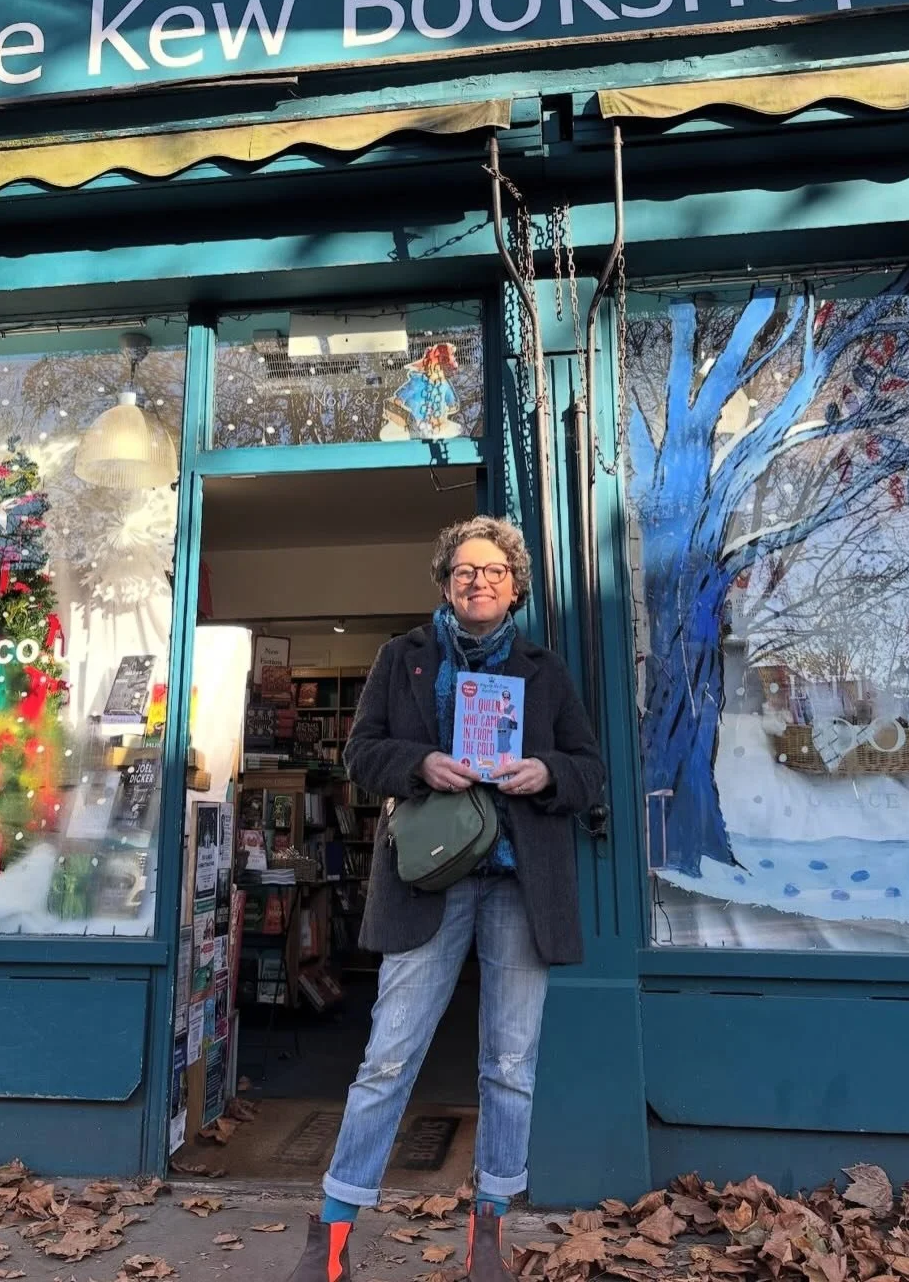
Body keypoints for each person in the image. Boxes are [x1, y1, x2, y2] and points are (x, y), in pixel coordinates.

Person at [286, 516, 605, 1282]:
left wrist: (550, 774)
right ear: (444, 582)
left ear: (515, 585)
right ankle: (330, 1233)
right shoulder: (402, 659)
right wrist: (421, 761)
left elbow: (591, 770)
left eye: (494, 571)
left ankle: (487, 1232)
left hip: (520, 887)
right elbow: (362, 753)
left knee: (509, 1063)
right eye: (465, 570)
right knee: (388, 1056)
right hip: (429, 879)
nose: (479, 582)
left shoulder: (545, 670)